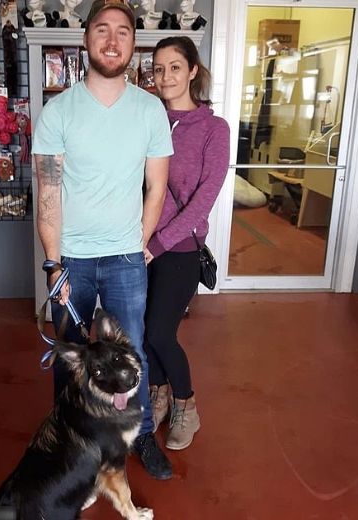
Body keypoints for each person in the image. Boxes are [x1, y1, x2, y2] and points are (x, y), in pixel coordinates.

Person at [33, 0, 174, 479]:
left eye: (122, 32)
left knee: (132, 351)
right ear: (86, 38)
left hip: (124, 260)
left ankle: (143, 436)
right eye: (101, 30)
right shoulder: (58, 111)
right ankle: (68, 439)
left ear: (133, 44)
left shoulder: (150, 110)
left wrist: (140, 240)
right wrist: (54, 265)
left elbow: (156, 186)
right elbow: (48, 192)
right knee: (70, 355)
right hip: (70, 258)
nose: (112, 40)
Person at [144, 36, 229, 450]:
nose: (165, 76)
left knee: (161, 332)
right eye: (158, 69)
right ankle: (157, 395)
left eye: (174, 67)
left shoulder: (215, 129)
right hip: (139, 243)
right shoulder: (146, 117)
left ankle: (186, 405)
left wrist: (158, 244)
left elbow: (203, 201)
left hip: (178, 250)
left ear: (193, 71)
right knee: (142, 332)